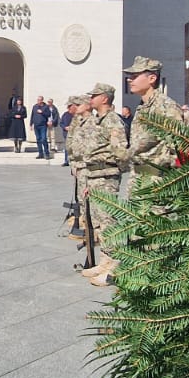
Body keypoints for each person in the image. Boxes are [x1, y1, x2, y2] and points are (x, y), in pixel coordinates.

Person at [81, 83, 130, 286]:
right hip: (93, 175)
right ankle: (105, 261)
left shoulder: (113, 121)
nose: (90, 98)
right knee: (98, 221)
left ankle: (114, 265)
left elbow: (120, 150)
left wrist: (118, 170)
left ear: (105, 98)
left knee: (108, 221)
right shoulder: (95, 120)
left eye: (94, 95)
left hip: (106, 175)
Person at [124, 56, 181, 182]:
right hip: (138, 178)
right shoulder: (142, 108)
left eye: (135, 76)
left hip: (157, 181)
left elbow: (182, 149)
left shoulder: (166, 107)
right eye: (130, 76)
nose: (129, 80)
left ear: (152, 78)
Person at [30, 96, 53, 160]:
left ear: (42, 100)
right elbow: (32, 115)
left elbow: (48, 114)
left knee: (43, 139)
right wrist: (31, 124)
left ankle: (47, 154)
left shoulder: (46, 107)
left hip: (43, 125)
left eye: (39, 100)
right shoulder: (35, 106)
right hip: (36, 125)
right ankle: (40, 153)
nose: (38, 101)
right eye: (37, 100)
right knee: (38, 139)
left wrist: (42, 112)